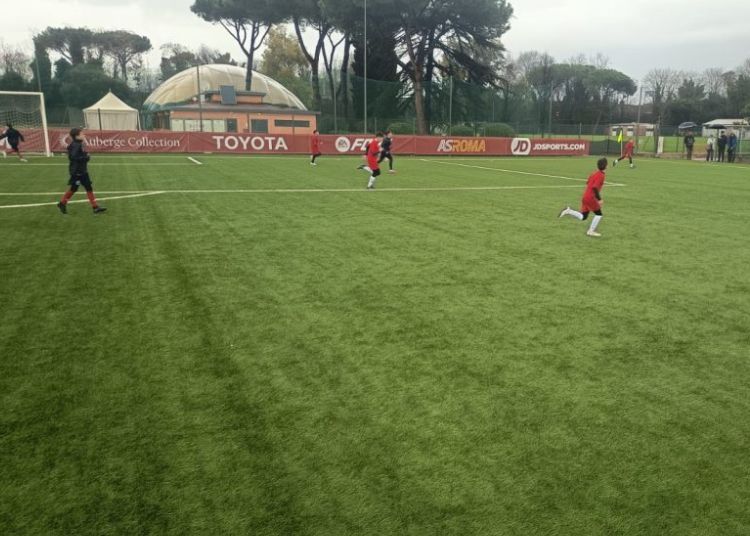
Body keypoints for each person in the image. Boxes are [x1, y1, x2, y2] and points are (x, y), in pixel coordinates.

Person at [57, 128, 107, 215]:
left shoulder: (78, 143)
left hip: (82, 170)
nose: (84, 135)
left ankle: (95, 207)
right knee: (75, 188)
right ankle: (62, 203)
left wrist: (85, 155)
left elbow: (77, 155)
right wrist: (86, 157)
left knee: (86, 187)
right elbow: (73, 157)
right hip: (77, 171)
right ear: (76, 136)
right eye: (81, 134)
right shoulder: (76, 145)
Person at [558, 158, 609, 238]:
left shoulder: (594, 173)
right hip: (591, 198)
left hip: (585, 196)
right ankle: (590, 231)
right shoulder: (601, 175)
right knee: (599, 214)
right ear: (605, 166)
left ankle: (568, 211)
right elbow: (595, 187)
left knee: (583, 217)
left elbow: (588, 182)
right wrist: (599, 199)